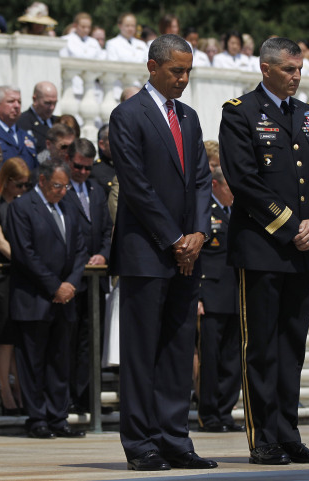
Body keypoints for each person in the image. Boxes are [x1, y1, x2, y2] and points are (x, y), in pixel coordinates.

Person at [219, 36, 309, 465]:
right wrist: (291, 226)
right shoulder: (240, 113)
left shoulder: (308, 115)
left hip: (306, 249)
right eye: (289, 70)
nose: (297, 77)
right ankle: (264, 438)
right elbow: (244, 181)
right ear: (266, 69)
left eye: (300, 69)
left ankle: (289, 433)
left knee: (293, 346)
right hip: (263, 247)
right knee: (263, 348)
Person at [108, 34, 215, 471]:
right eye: (176, 71)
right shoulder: (127, 115)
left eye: (188, 71)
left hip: (188, 252)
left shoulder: (188, 117)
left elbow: (203, 181)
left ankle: (174, 437)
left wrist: (198, 235)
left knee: (176, 349)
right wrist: (175, 240)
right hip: (147, 252)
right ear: (152, 67)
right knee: (141, 352)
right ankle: (141, 443)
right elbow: (136, 186)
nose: (183, 80)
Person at [6, 159, 88, 439]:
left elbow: (81, 249)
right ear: (41, 181)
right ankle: (37, 417)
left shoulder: (69, 205)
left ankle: (58, 417)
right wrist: (55, 286)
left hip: (65, 298)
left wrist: (71, 283)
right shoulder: (21, 207)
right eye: (57, 185)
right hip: (35, 297)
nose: (62, 191)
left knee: (60, 361)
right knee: (33, 362)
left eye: (66, 186)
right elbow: (25, 253)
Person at [62, 138, 112, 414]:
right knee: (69, 341)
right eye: (78, 167)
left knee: (91, 342)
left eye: (87, 168)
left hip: (95, 278)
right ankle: (68, 396)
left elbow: (106, 230)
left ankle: (87, 396)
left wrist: (103, 255)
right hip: (71, 277)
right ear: (69, 161)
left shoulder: (95, 189)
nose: (82, 172)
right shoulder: (61, 189)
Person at [0, 157, 30, 415]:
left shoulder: (25, 204)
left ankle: (21, 390)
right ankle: (5, 390)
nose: (23, 189)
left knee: (20, 338)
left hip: (23, 275)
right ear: (7, 181)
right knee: (4, 336)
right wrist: (28, 260)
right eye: (19, 184)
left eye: (26, 185)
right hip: (4, 275)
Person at [196, 164, 243, 434]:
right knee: (210, 359)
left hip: (235, 295)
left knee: (232, 360)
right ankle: (209, 415)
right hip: (211, 295)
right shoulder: (205, 210)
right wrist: (198, 296)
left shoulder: (236, 212)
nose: (233, 193)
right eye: (229, 187)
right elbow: (199, 255)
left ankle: (226, 412)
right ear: (215, 185)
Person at [16, 81, 59, 154]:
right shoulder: (22, 122)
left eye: (55, 103)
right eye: (47, 103)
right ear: (35, 99)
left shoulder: (58, 122)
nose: (52, 107)